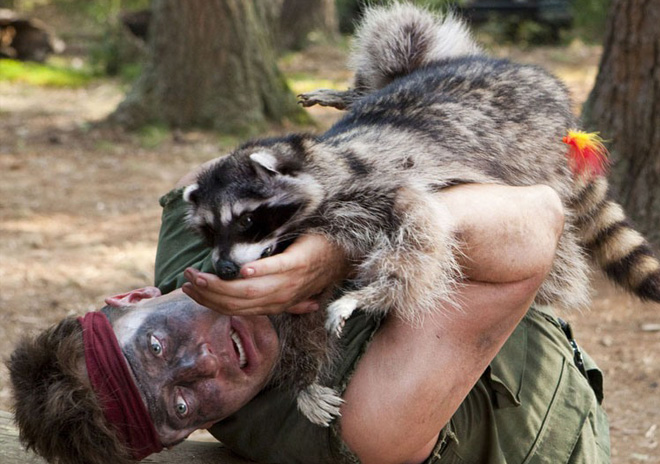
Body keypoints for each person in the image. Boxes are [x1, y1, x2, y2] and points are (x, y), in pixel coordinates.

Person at [8, 160, 610, 464]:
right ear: (185, 435)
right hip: (539, 416)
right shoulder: (368, 422)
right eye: (182, 404)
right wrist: (337, 249)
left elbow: (355, 150)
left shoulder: (197, 225)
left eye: (157, 348)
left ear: (134, 298)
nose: (204, 363)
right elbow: (534, 220)